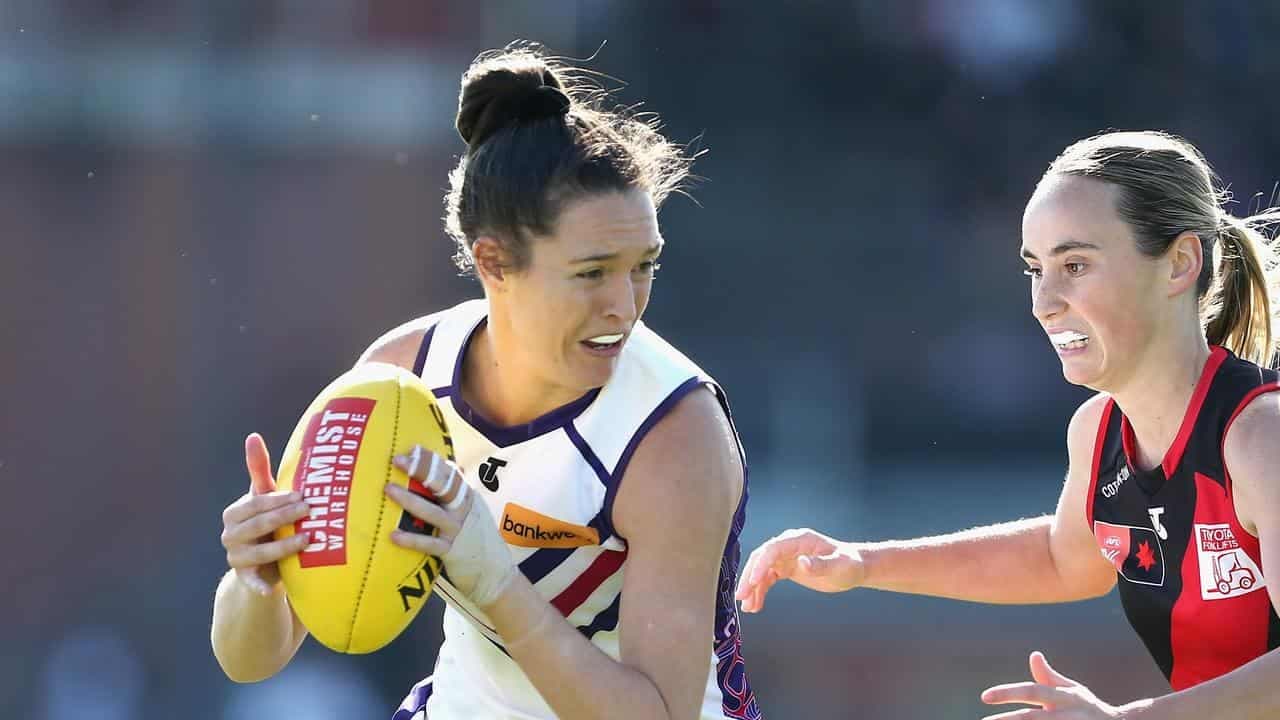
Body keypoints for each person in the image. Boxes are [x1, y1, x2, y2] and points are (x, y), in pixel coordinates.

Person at [211, 43, 761, 720]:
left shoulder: (674, 434)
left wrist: (494, 581)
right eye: (592, 272)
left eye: (643, 264)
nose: (625, 303)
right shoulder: (397, 379)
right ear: (494, 262)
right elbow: (251, 658)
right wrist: (255, 580)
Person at [736, 130, 1280, 718]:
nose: (1043, 301)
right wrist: (862, 563)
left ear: (1179, 263)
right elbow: (1060, 557)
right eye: (1034, 270)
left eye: (1076, 264)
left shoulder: (1260, 438)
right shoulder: (1097, 431)